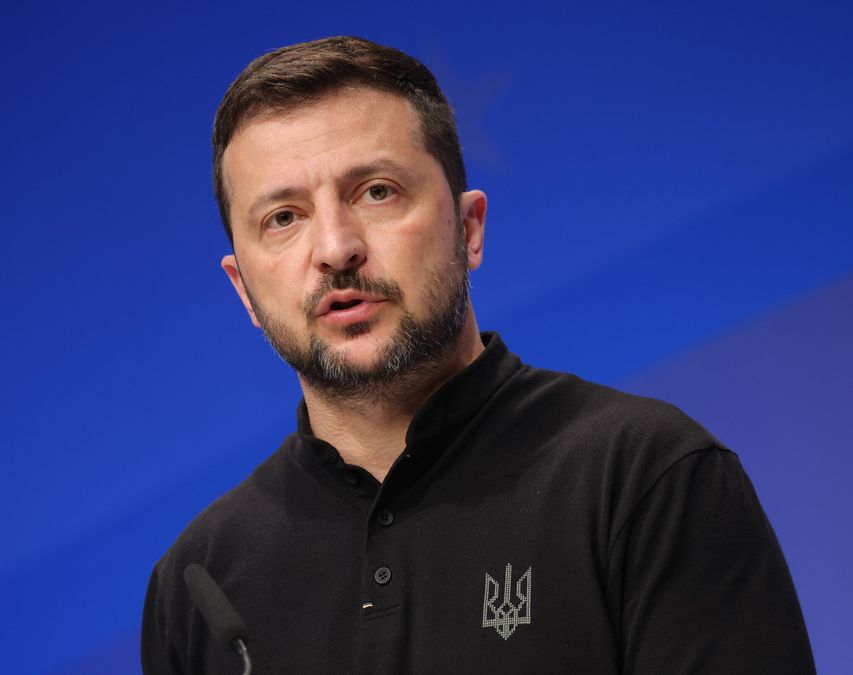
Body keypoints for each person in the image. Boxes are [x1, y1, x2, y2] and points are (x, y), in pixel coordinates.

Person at [141, 36, 814, 673]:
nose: (336, 248)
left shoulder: (645, 476)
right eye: (283, 218)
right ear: (244, 289)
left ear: (468, 230)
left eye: (376, 191)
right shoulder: (201, 581)